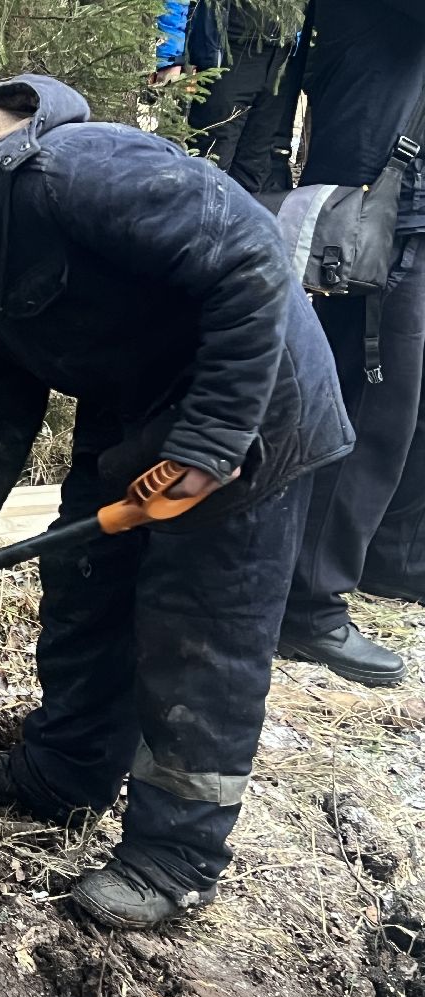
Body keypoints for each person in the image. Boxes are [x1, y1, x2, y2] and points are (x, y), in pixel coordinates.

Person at [0, 75, 352, 930]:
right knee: (84, 585)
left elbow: (252, 256)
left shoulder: (73, 174)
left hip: (255, 406)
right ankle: (65, 774)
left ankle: (176, 856)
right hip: (137, 414)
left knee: (198, 633)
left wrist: (212, 440)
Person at [277, 1, 425, 685]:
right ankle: (306, 602)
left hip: (404, 204)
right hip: (378, 214)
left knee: (409, 406)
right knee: (371, 409)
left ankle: (393, 558)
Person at [155, 1, 301, 194]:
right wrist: (170, 55)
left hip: (283, 56)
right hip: (226, 50)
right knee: (211, 162)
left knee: (254, 166)